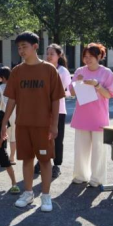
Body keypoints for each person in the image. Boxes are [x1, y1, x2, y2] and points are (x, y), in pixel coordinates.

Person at [1, 31, 65, 213]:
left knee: (45, 161)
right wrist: (4, 123)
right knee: (27, 159)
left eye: (24, 47)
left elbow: (55, 99)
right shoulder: (17, 71)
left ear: (35, 46)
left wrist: (53, 125)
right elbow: (11, 100)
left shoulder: (49, 70)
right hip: (23, 124)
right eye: (19, 47)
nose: (21, 50)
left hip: (43, 125)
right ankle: (28, 193)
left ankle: (45, 195)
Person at [69, 43, 113, 188]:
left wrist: (97, 85)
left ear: (100, 56)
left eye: (91, 56)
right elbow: (71, 92)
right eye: (85, 56)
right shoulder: (79, 71)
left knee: (99, 149)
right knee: (81, 148)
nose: (87, 59)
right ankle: (80, 175)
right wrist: (78, 82)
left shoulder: (106, 73)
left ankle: (97, 178)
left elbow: (109, 94)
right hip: (82, 115)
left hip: (99, 116)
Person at [40, 43, 72, 179]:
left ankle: (56, 164)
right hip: (42, 109)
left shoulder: (63, 72)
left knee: (57, 139)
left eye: (52, 54)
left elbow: (65, 91)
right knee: (41, 138)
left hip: (58, 110)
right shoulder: (42, 69)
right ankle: (41, 161)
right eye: (47, 53)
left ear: (59, 55)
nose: (49, 56)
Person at [0, 67, 17, 164]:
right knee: (13, 138)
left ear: (2, 77)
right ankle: (12, 158)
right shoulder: (15, 86)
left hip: (3, 115)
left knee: (1, 136)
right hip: (15, 115)